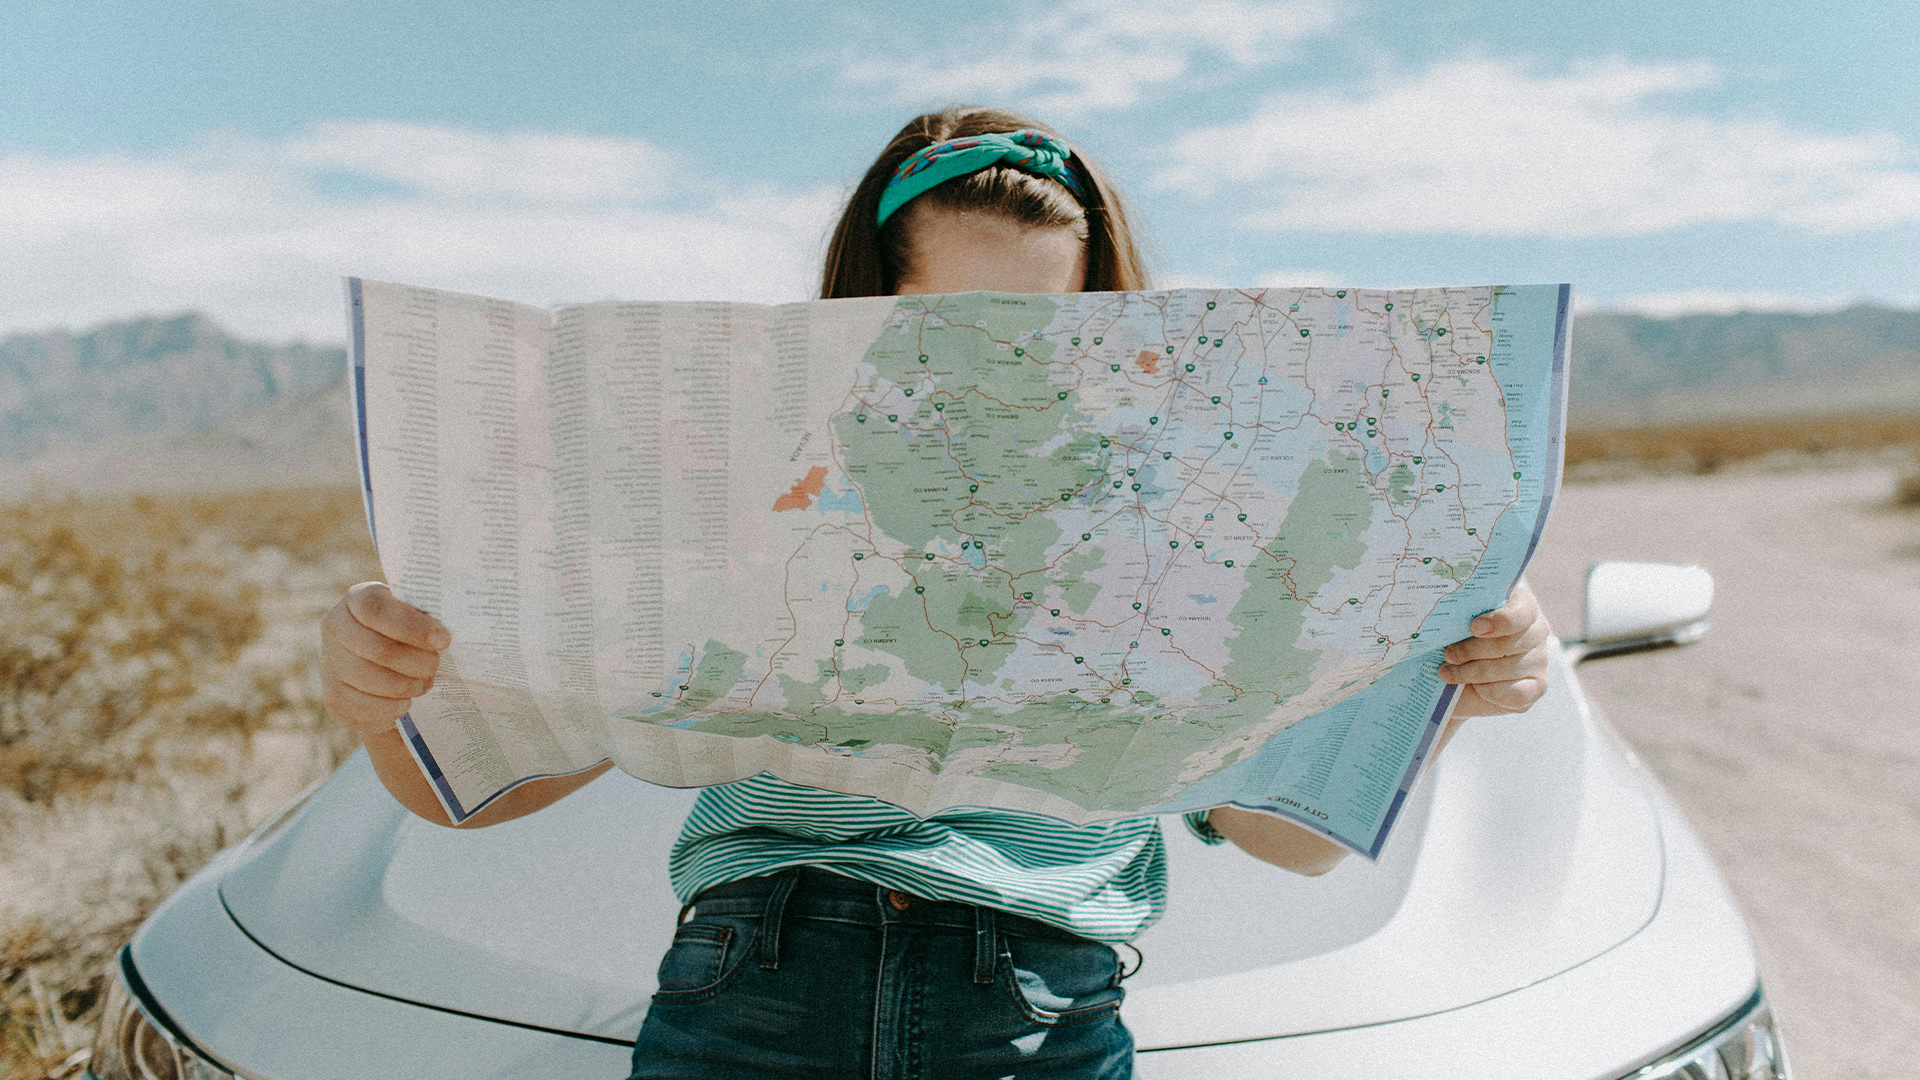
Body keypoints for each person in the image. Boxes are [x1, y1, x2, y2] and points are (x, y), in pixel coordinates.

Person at [318, 106, 1553, 1080]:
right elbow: (480, 797)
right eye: (944, 321)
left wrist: (1449, 696)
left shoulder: (1186, 513)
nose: (987, 363)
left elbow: (1286, 840)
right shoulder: (741, 482)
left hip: (1039, 1009)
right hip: (752, 979)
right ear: (862, 309)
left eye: (1042, 328)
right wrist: (389, 701)